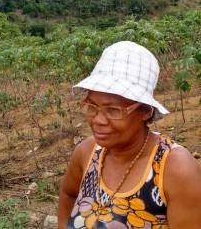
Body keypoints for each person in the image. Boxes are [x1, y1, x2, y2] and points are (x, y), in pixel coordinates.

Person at [58, 41, 201, 229]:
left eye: (113, 110)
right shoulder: (87, 152)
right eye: (92, 106)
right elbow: (68, 193)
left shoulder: (175, 169)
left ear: (145, 112)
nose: (98, 120)